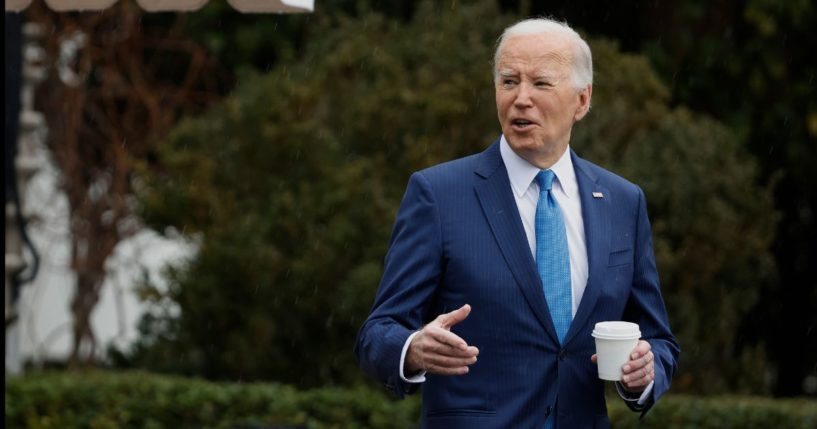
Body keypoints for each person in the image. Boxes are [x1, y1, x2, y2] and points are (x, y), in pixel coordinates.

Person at [355, 17, 679, 429]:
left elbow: (659, 339)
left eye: (541, 83)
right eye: (509, 81)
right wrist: (413, 348)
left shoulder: (622, 202)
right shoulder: (438, 194)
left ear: (582, 100)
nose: (521, 98)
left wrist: (644, 375)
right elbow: (376, 334)